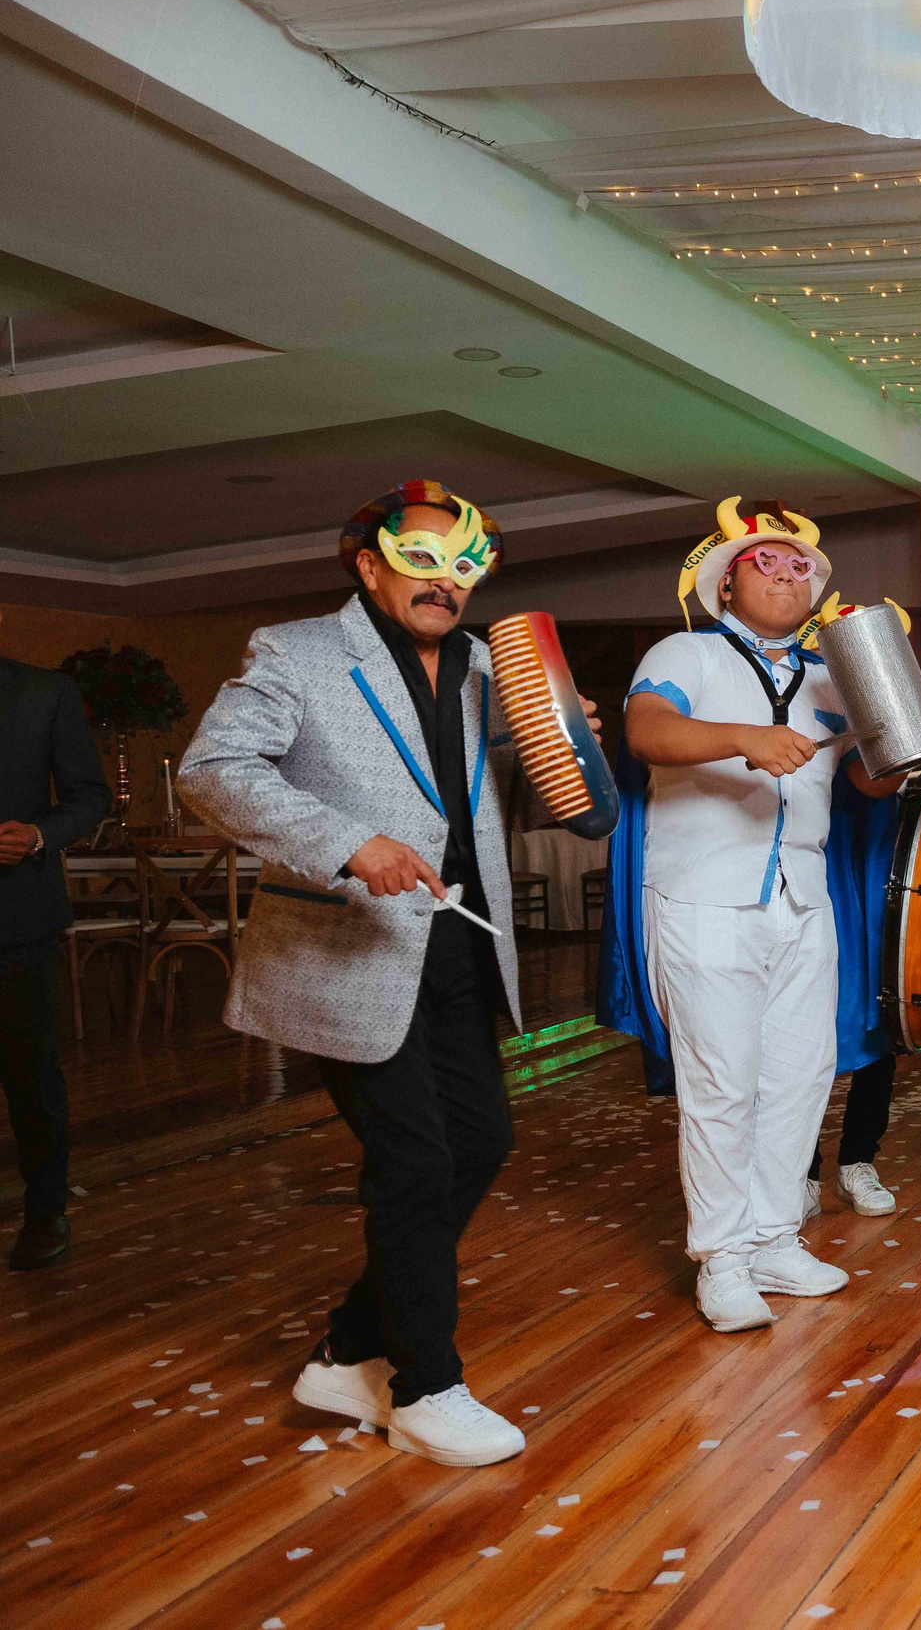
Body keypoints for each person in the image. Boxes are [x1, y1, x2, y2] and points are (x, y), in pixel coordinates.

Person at [180, 481, 577, 1467]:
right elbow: (213, 770)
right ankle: (423, 1387)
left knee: (478, 1145)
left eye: (464, 565)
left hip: (462, 946)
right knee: (413, 1165)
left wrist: (571, 743)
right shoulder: (298, 651)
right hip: (349, 954)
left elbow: (486, 791)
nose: (446, 583)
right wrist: (349, 840)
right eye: (422, 561)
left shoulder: (490, 667)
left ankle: (349, 1347)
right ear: (370, 566)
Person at [621, 499, 899, 1333]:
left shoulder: (829, 676)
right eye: (766, 562)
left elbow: (868, 782)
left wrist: (906, 741)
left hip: (803, 896)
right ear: (728, 580)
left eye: (801, 566)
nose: (787, 574)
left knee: (801, 1075)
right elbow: (646, 730)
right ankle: (724, 1259)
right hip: (704, 892)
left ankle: (776, 1237)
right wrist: (745, 736)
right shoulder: (685, 653)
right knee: (720, 1083)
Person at [0, 623, 111, 1271]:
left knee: (29, 1076)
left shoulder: (45, 693)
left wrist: (38, 836)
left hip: (18, 920)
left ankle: (45, 1213)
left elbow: (89, 796)